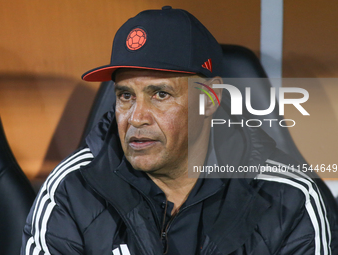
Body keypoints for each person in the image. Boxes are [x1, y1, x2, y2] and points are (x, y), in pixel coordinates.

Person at [21, 6, 337, 255]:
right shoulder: (72, 189)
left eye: (161, 95)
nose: (136, 118)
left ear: (210, 99)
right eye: (125, 96)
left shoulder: (291, 199)